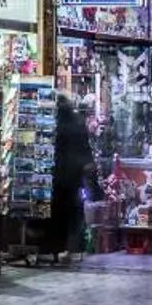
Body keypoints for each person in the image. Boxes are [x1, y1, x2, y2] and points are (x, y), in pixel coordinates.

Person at [50, 95, 94, 262]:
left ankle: (56, 248)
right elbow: (85, 144)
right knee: (74, 211)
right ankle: (73, 247)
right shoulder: (77, 121)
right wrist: (87, 164)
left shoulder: (57, 122)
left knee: (58, 212)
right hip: (75, 173)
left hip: (59, 173)